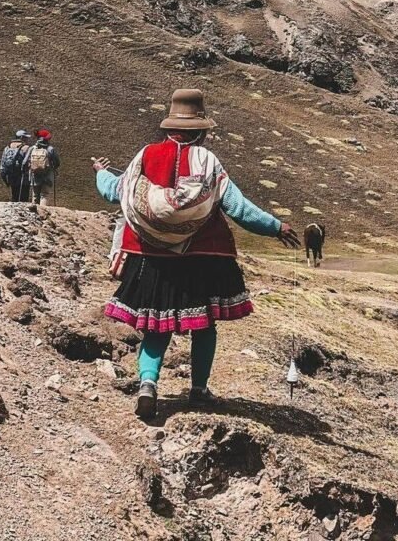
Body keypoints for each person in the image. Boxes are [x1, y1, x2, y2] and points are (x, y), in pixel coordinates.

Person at [93, 88, 300, 418]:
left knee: (155, 327)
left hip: (151, 259)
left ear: (168, 128)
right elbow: (237, 207)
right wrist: (276, 227)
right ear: (202, 130)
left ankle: (148, 383)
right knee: (204, 326)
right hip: (202, 258)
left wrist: (101, 173)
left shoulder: (144, 157)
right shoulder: (208, 162)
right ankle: (199, 390)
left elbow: (114, 191)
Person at [24, 128, 60, 206]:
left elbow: (24, 162)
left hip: (34, 176)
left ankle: (33, 214)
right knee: (44, 195)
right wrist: (54, 168)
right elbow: (57, 162)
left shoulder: (32, 148)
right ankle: (42, 213)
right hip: (47, 176)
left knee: (35, 195)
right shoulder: (50, 149)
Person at [0, 130, 31, 202]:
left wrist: (4, 178)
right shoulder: (26, 148)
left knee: (14, 194)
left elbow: (3, 162)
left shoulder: (7, 147)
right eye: (26, 138)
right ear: (22, 137)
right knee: (24, 196)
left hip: (11, 175)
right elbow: (28, 162)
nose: (28, 139)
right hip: (23, 177)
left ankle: (14, 208)